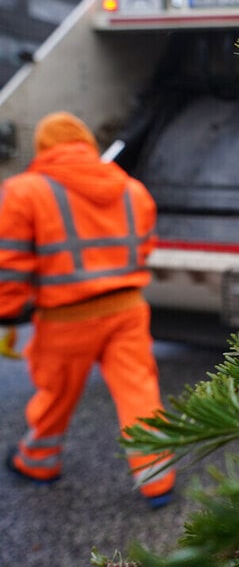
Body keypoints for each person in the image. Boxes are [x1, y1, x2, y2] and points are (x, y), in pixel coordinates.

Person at [0, 111, 175, 508]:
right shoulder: (131, 190)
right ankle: (157, 477)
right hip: (128, 309)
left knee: (56, 393)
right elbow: (144, 246)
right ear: (86, 145)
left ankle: (38, 461)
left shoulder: (25, 191)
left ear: (45, 147)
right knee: (139, 393)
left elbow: (8, 261)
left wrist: (8, 310)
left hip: (65, 318)